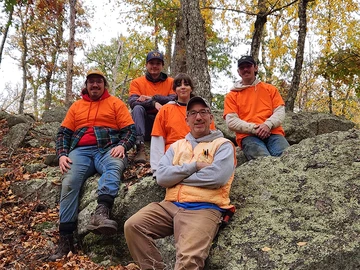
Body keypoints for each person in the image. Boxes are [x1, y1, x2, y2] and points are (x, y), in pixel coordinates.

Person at [124, 96, 236, 270]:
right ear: (187, 120)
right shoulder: (177, 146)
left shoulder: (223, 145)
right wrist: (194, 166)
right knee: (133, 226)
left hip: (204, 208)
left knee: (188, 260)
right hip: (169, 206)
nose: (198, 117)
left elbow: (216, 178)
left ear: (211, 117)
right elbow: (161, 177)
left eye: (203, 112)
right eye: (193, 113)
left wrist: (175, 178)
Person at [49, 69, 136, 261]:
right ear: (86, 85)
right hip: (80, 152)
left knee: (114, 166)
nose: (95, 85)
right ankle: (66, 239)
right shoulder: (76, 107)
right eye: (91, 82)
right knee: (69, 181)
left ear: (104, 85)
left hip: (108, 148)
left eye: (98, 81)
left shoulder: (115, 103)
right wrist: (62, 155)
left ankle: (101, 212)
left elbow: (130, 130)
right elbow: (63, 133)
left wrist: (122, 145)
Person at [223, 55, 290, 160]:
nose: (245, 69)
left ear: (255, 68)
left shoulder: (270, 89)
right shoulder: (232, 95)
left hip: (274, 133)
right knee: (263, 161)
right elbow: (231, 121)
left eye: (248, 66)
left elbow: (280, 112)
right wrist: (254, 129)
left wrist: (267, 125)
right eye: (242, 67)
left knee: (288, 158)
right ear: (238, 72)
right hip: (248, 136)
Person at [150, 73, 216, 178]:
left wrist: (206, 161)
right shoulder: (166, 110)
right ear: (175, 89)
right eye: (179, 85)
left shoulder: (202, 111)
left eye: (186, 84)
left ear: (191, 88)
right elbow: (158, 138)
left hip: (198, 157)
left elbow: (210, 140)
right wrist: (157, 169)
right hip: (173, 157)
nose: (183, 87)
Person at [128, 50, 176, 163]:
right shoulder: (137, 82)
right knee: (137, 108)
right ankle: (140, 147)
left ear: (162, 66)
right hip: (146, 124)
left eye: (158, 63)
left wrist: (153, 98)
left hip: (164, 123)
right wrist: (153, 103)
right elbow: (133, 101)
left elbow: (174, 99)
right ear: (146, 65)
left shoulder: (171, 82)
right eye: (151, 63)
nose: (154, 66)